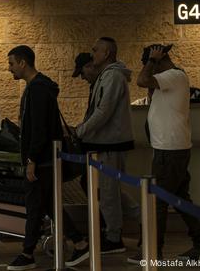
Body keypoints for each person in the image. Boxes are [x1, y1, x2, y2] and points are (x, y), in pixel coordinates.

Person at [129, 44, 200, 263]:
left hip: (170, 151)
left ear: (158, 60)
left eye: (149, 63)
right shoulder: (169, 80)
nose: (148, 68)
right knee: (181, 199)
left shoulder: (173, 75)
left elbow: (142, 80)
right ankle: (199, 244)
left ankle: (154, 251)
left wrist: (152, 61)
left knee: (158, 201)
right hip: (170, 149)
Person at [6, 45, 83, 271]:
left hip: (42, 160)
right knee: (49, 205)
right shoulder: (40, 87)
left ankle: (27, 253)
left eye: (11, 63)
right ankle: (80, 241)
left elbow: (38, 128)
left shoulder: (37, 89)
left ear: (23, 63)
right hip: (46, 159)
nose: (9, 68)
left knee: (34, 206)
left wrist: (32, 160)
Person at [70, 37, 141, 266]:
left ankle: (114, 237)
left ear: (107, 52)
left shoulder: (112, 76)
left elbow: (103, 111)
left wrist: (80, 131)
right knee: (111, 191)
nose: (93, 53)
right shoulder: (107, 76)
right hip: (106, 143)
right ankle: (145, 222)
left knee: (109, 193)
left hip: (111, 143)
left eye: (96, 50)